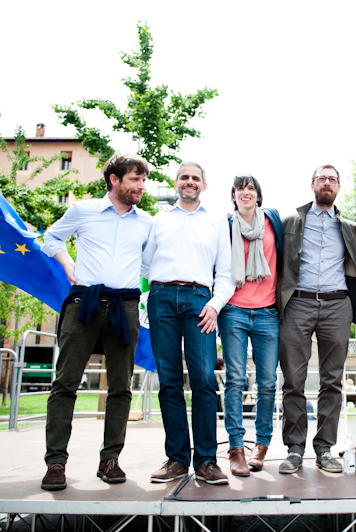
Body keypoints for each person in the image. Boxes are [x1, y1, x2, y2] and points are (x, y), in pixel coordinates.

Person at [40, 153, 153, 491]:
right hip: (84, 302)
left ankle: (110, 459)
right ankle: (55, 463)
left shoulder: (147, 222)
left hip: (125, 305)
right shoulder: (82, 210)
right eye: (135, 179)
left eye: (144, 180)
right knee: (65, 383)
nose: (141, 186)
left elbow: (149, 264)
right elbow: (51, 238)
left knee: (121, 386)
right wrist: (67, 264)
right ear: (114, 180)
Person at [142, 162, 234, 485]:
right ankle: (177, 459)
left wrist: (214, 304)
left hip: (200, 301)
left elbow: (225, 272)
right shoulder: (160, 219)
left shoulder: (217, 221)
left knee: (204, 380)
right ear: (176, 183)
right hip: (162, 298)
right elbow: (145, 263)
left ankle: (207, 461)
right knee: (169, 381)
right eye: (184, 177)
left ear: (203, 186)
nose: (190, 182)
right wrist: (154, 291)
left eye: (196, 178)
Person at [277, 164, 356, 474]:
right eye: (321, 178)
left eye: (332, 179)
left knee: (332, 381)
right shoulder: (291, 221)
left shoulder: (350, 228)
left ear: (338, 187)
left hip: (337, 305)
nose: (326, 183)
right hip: (298, 303)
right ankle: (294, 449)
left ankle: (324, 449)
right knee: (293, 380)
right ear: (312, 184)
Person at [217, 174, 283, 476]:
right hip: (233, 311)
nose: (246, 192)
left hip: (268, 312)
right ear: (233, 195)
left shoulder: (272, 220)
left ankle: (262, 444)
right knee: (235, 379)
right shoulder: (224, 225)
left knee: (267, 382)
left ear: (258, 195)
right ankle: (235, 448)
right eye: (240, 188)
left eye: (251, 188)